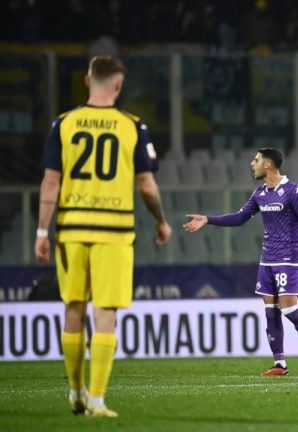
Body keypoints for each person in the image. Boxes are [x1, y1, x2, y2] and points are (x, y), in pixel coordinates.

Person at [35, 56, 172, 417]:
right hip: (114, 231)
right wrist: (161, 220)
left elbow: (51, 181)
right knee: (105, 311)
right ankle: (96, 399)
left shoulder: (64, 123)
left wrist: (40, 231)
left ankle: (75, 391)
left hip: (71, 229)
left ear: (87, 80)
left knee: (74, 307)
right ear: (118, 85)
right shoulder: (132, 127)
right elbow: (146, 185)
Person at [183, 148, 298, 377]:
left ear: (268, 165)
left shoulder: (293, 192)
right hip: (267, 259)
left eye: (257, 160)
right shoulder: (260, 193)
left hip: (289, 258)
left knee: (289, 308)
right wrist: (208, 220)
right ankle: (280, 363)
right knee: (270, 310)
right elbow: (240, 217)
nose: (252, 164)